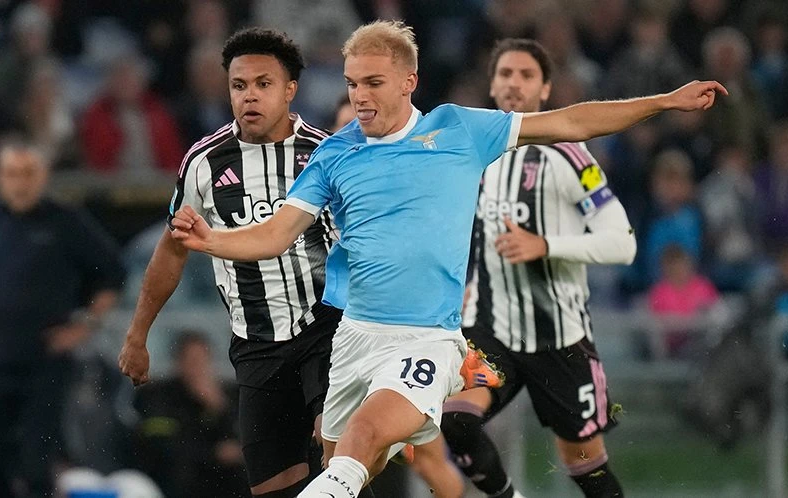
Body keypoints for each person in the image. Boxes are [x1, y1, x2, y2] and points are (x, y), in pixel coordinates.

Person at [168, 20, 726, 498]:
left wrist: (663, 102)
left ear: (408, 82)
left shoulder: (458, 129)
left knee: (361, 440)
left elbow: (572, 122)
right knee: (348, 467)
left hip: (426, 338)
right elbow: (275, 235)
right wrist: (211, 241)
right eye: (352, 83)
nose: (359, 96)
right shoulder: (336, 152)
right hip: (353, 338)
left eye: (373, 83)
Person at [117, 28, 344, 498]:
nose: (249, 96)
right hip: (256, 343)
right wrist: (138, 334)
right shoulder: (204, 161)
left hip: (327, 331)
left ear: (290, 90)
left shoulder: (325, 154)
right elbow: (173, 248)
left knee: (337, 456)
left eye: (263, 84)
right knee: (274, 487)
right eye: (239, 85)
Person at [409, 38, 637, 498]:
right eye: (506, 74)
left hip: (560, 338)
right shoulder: (472, 154)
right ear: (492, 85)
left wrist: (545, 245)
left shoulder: (571, 156)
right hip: (491, 328)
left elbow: (623, 243)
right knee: (454, 418)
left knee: (585, 466)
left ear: (545, 89)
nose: (514, 83)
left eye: (526, 75)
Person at [0, 142, 125, 498]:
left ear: (44, 177)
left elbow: (113, 273)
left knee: (36, 462)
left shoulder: (65, 219)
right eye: (12, 174)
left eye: (29, 173)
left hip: (45, 358)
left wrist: (84, 326)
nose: (20, 182)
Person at [132, 332, 248, 498]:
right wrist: (212, 454)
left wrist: (219, 408)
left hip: (219, 477)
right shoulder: (158, 395)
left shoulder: (225, 395)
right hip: (176, 477)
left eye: (203, 360)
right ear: (179, 362)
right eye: (192, 360)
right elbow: (162, 445)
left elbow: (239, 440)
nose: (198, 367)